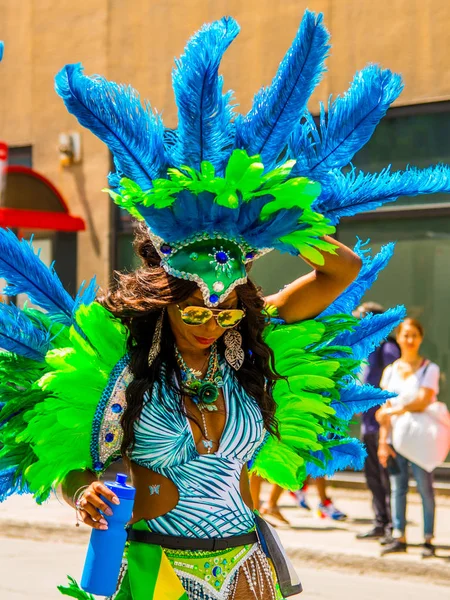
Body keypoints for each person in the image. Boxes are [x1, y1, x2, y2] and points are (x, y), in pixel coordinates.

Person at [1, 11, 450, 600]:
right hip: (155, 569)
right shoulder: (118, 370)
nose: (211, 324)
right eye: (195, 314)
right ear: (163, 307)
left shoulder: (245, 355)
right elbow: (68, 461)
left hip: (247, 567)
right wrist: (84, 494)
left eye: (225, 313)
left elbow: (339, 270)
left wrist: (267, 223)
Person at [376, 318, 439, 558]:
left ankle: (428, 539)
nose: (410, 340)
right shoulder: (390, 371)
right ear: (399, 338)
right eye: (405, 335)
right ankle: (399, 536)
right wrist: (383, 442)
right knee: (397, 489)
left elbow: (423, 401)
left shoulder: (429, 368)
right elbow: (384, 412)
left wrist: (392, 410)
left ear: (420, 338)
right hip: (396, 440)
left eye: (414, 335)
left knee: (426, 490)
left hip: (421, 441)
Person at [355, 302, 400, 541]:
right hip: (367, 423)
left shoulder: (388, 347)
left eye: (361, 318)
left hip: (383, 426)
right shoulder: (366, 348)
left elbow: (396, 385)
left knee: (386, 477)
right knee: (372, 476)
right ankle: (380, 523)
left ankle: (394, 526)